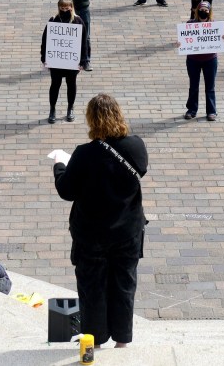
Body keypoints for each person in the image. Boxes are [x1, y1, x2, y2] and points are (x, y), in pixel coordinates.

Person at [52, 93, 147, 348]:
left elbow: (66, 191)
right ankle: (122, 341)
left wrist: (60, 165)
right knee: (124, 284)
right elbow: (140, 170)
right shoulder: (136, 146)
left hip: (91, 234)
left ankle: (94, 340)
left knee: (92, 287)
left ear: (91, 119)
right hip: (128, 230)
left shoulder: (84, 154)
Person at [41, 0, 89, 123]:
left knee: (71, 84)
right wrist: (44, 58)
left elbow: (84, 43)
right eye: (62, 8)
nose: (64, 10)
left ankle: (70, 108)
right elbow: (45, 41)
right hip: (57, 62)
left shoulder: (78, 21)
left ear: (71, 7)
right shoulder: (54, 20)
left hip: (72, 62)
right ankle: (52, 110)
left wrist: (83, 61)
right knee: (55, 85)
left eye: (66, 8)